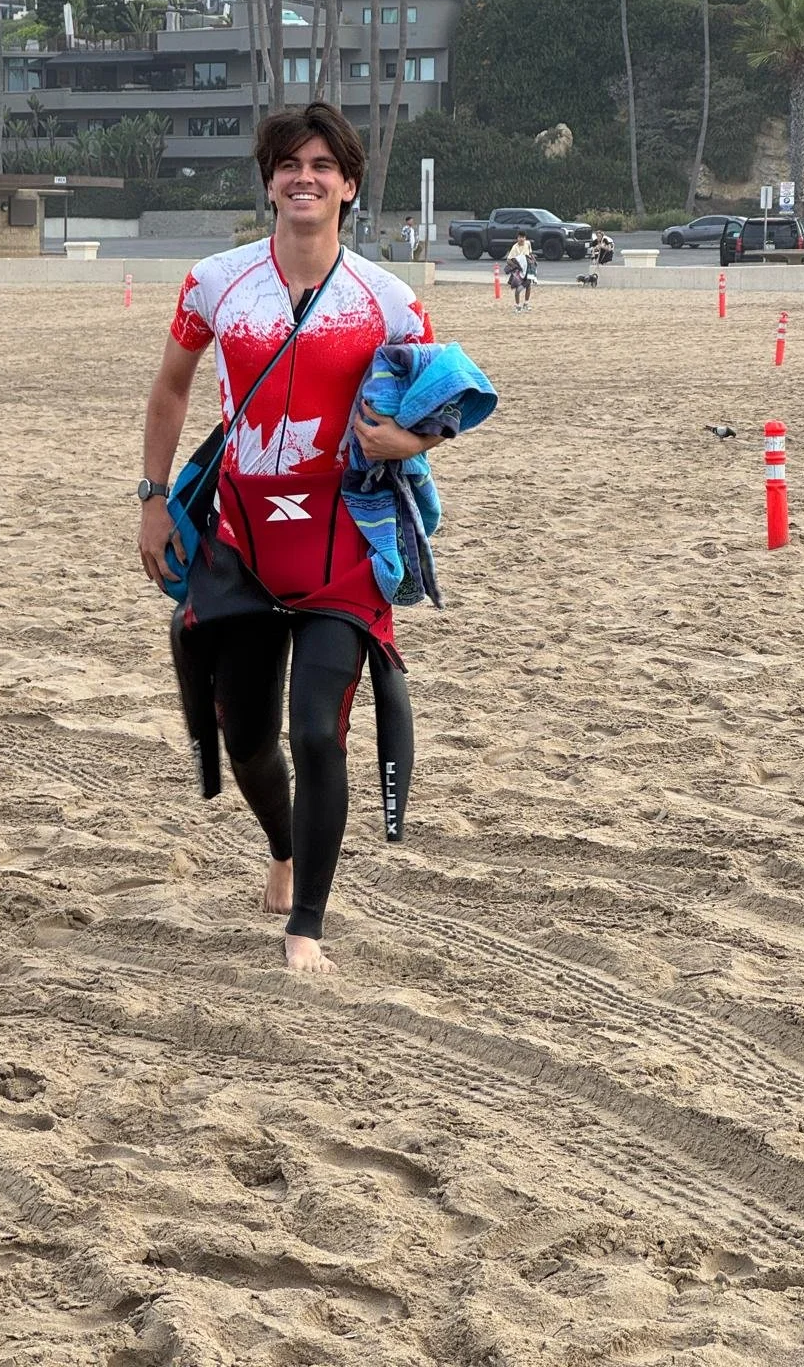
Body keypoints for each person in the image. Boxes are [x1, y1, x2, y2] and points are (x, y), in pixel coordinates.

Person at [137, 101, 443, 974]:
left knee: (318, 732)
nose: (303, 178)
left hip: (340, 543)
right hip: (239, 536)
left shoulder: (387, 300)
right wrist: (155, 499)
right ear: (269, 181)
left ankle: (306, 921)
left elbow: (444, 402)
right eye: (288, 165)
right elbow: (170, 389)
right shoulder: (215, 283)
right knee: (246, 740)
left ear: (349, 184)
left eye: (321, 166)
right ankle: (282, 846)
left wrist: (408, 441)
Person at [504, 228, 534, 310]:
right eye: (520, 237)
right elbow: (508, 260)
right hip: (518, 271)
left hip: (527, 269)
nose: (521, 239)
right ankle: (517, 305)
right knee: (518, 289)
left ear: (525, 238)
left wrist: (533, 260)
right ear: (517, 238)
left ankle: (526, 304)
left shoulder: (527, 244)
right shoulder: (515, 247)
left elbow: (530, 254)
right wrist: (515, 266)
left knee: (528, 285)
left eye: (523, 237)